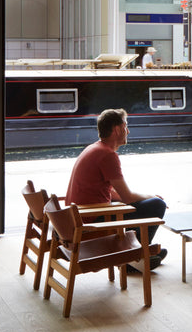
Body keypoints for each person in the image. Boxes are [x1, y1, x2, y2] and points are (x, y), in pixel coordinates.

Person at [66, 108, 168, 267]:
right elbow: (128, 197)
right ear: (117, 129)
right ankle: (132, 258)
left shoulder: (94, 148)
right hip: (93, 221)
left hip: (82, 216)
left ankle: (141, 250)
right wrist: (151, 196)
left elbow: (112, 193)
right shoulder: (108, 155)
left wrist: (143, 197)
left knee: (141, 204)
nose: (128, 131)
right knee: (157, 205)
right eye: (125, 126)